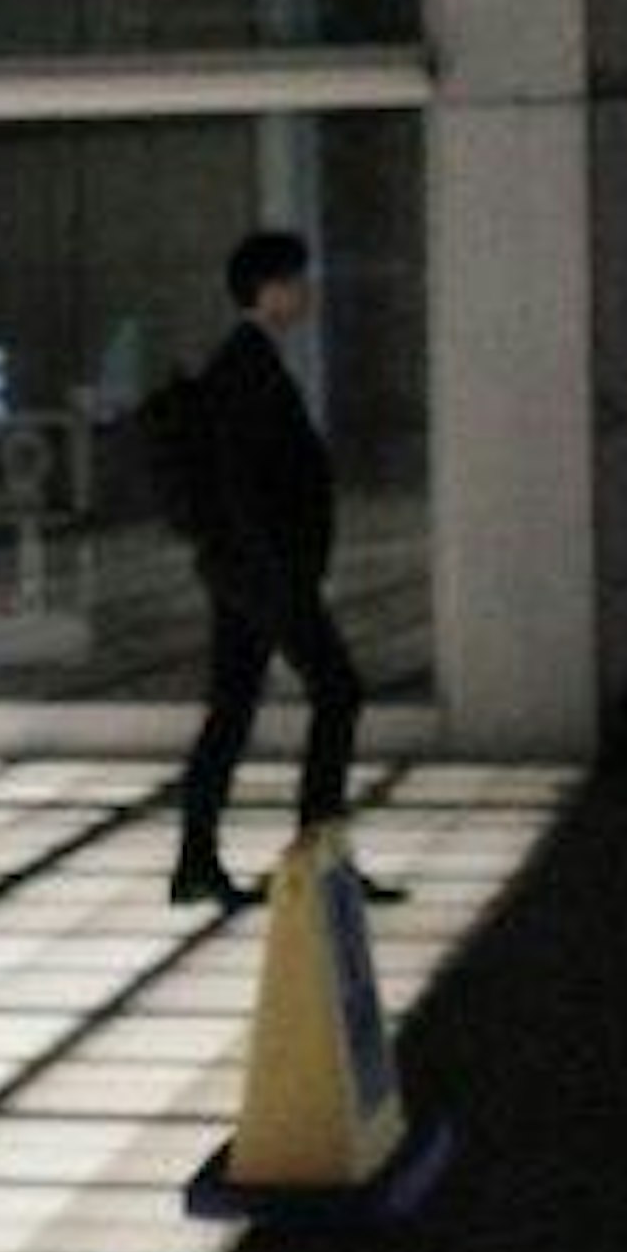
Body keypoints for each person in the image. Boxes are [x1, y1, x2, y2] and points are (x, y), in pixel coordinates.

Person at [169, 225, 401, 911]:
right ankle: (318, 862)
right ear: (268, 290)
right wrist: (284, 575)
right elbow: (246, 485)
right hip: (263, 573)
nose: (306, 293)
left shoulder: (246, 361)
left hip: (243, 570)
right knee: (339, 691)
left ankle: (199, 863)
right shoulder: (247, 368)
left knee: (232, 711)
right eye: (297, 281)